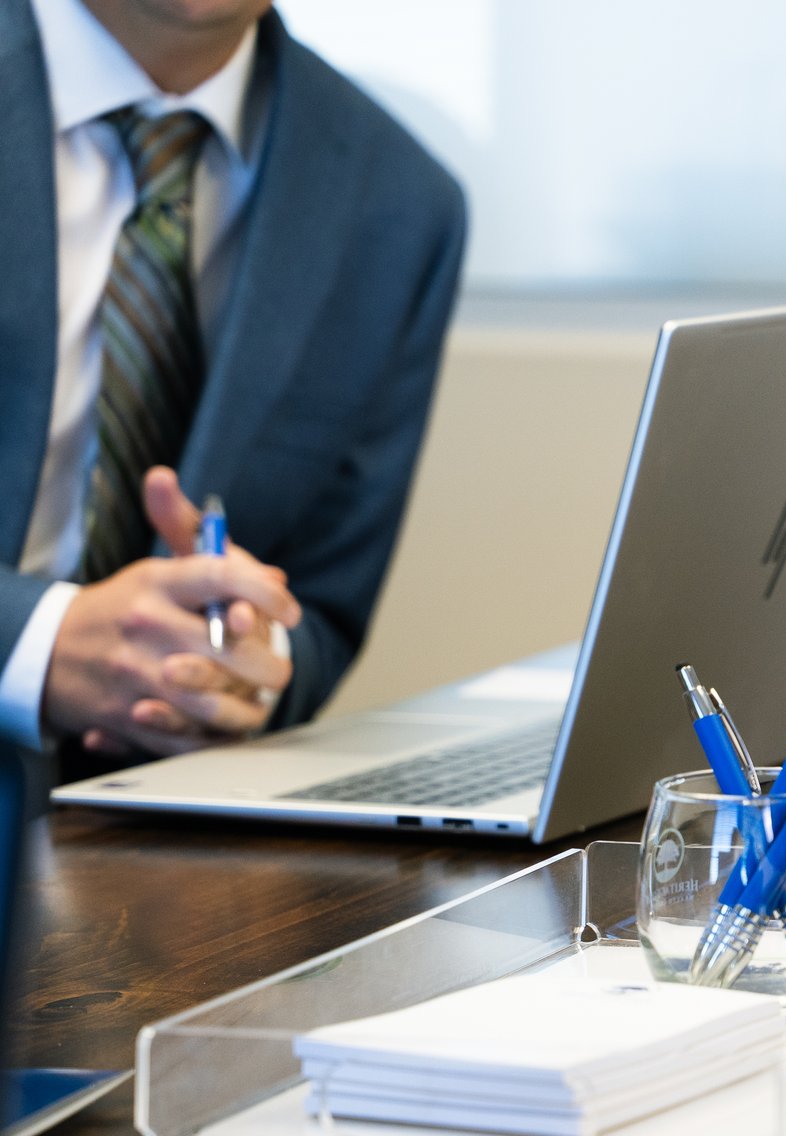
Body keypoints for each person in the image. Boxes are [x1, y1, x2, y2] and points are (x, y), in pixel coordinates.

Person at [0, 0, 464, 773]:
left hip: (170, 840)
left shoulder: (401, 205)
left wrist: (239, 658)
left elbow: (321, 615)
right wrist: (39, 644)